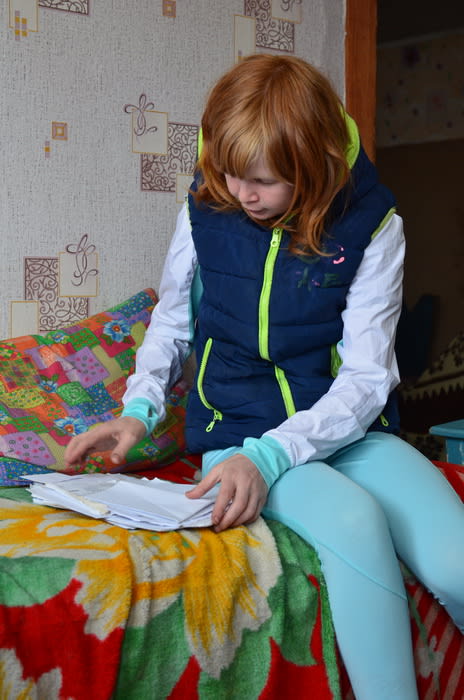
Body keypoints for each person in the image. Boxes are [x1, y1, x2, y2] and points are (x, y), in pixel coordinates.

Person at [65, 54, 464, 699]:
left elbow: (367, 377)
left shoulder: (373, 224)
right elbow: (172, 322)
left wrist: (275, 455)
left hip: (347, 430)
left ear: (314, 166)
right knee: (354, 521)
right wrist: (138, 411)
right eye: (229, 171)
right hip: (237, 431)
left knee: (457, 563)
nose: (240, 193)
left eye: (263, 181)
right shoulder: (207, 206)